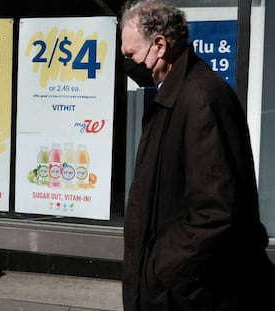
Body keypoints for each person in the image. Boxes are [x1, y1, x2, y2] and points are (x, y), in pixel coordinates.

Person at [119, 1, 275, 310]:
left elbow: (216, 212)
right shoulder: (177, 94)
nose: (128, 63)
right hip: (177, 290)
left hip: (190, 294)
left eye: (131, 55)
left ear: (159, 45)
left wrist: (158, 269)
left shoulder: (201, 99)